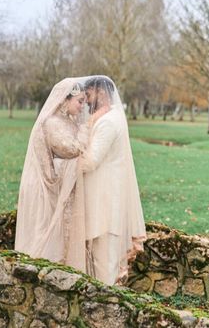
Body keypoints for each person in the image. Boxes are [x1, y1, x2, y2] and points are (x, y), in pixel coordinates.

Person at [14, 78, 89, 270]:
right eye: (79, 101)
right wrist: (85, 128)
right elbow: (71, 149)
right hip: (43, 186)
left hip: (55, 184)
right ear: (65, 99)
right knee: (43, 233)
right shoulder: (52, 122)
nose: (82, 106)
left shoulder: (67, 121)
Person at [80, 75, 146, 285]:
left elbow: (90, 161)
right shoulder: (111, 116)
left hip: (105, 201)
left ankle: (106, 299)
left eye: (88, 94)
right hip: (106, 196)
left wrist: (65, 161)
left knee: (104, 260)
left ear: (101, 92)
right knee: (102, 258)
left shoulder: (108, 122)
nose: (86, 101)